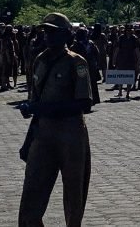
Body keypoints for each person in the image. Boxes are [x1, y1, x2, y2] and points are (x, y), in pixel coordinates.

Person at [18, 13, 92, 226]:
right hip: (43, 133)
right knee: (31, 195)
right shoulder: (40, 60)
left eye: (53, 32)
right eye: (45, 32)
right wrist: (28, 141)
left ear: (66, 35)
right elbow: (37, 102)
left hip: (71, 134)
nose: (47, 36)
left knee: (74, 195)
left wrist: (42, 108)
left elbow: (84, 103)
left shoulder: (76, 62)